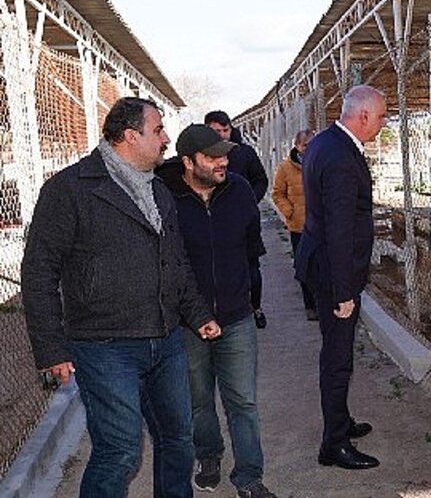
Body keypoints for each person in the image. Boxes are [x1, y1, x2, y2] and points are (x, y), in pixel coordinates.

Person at [21, 97, 221, 498]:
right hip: (105, 346)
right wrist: (51, 348)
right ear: (131, 136)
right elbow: (39, 271)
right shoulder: (70, 189)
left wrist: (197, 313)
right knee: (120, 451)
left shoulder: (159, 190)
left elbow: (175, 262)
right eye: (159, 130)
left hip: (165, 340)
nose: (166, 139)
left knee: (178, 440)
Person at [156, 125, 275, 498]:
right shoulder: (164, 196)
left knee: (243, 400)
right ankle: (209, 454)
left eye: (224, 154)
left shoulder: (238, 190)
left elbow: (251, 250)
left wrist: (252, 301)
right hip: (187, 321)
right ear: (189, 162)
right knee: (198, 399)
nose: (223, 161)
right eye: (212, 157)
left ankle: (249, 476)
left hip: (237, 315)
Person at [296, 85, 387, 470]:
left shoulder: (324, 143)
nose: (384, 123)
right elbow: (338, 228)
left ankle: (341, 421)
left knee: (337, 353)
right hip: (334, 272)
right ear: (363, 116)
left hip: (320, 263)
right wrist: (344, 291)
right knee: (337, 359)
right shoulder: (340, 157)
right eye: (382, 116)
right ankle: (333, 444)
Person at [205, 110, 269, 329]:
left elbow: (261, 180)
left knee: (252, 269)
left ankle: (256, 307)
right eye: (217, 131)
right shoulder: (201, 156)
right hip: (214, 223)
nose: (223, 135)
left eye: (225, 130)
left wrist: (249, 201)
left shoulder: (245, 153)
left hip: (245, 222)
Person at [271, 129, 317, 321]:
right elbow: (277, 193)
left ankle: (322, 302)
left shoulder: (320, 162)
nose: (308, 149)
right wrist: (290, 212)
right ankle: (310, 305)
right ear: (297, 146)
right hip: (299, 227)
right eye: (305, 145)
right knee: (304, 267)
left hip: (320, 225)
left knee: (322, 266)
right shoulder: (285, 168)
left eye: (311, 144)